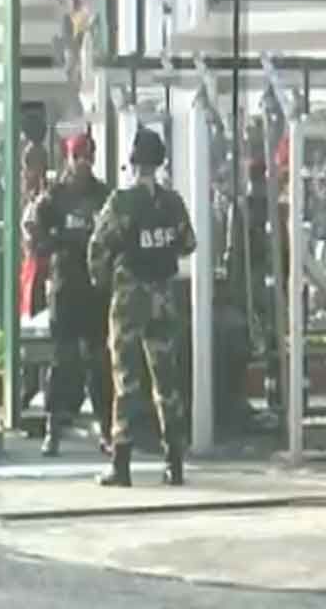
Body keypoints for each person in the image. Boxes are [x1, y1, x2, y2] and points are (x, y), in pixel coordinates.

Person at [88, 129, 196, 487]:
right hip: (163, 296)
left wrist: (104, 280)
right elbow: (187, 244)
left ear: (133, 162)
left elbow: (98, 249)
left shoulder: (121, 202)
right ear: (161, 161)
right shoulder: (172, 203)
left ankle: (122, 463)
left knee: (127, 380)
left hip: (129, 297)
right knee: (166, 380)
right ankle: (174, 462)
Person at [25, 134, 111, 456]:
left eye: (88, 158)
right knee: (62, 362)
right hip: (65, 287)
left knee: (99, 362)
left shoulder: (105, 197)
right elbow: (33, 235)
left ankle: (106, 428)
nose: (83, 164)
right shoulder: (54, 197)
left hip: (95, 289)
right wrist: (56, 244)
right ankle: (53, 428)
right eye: (78, 158)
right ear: (68, 159)